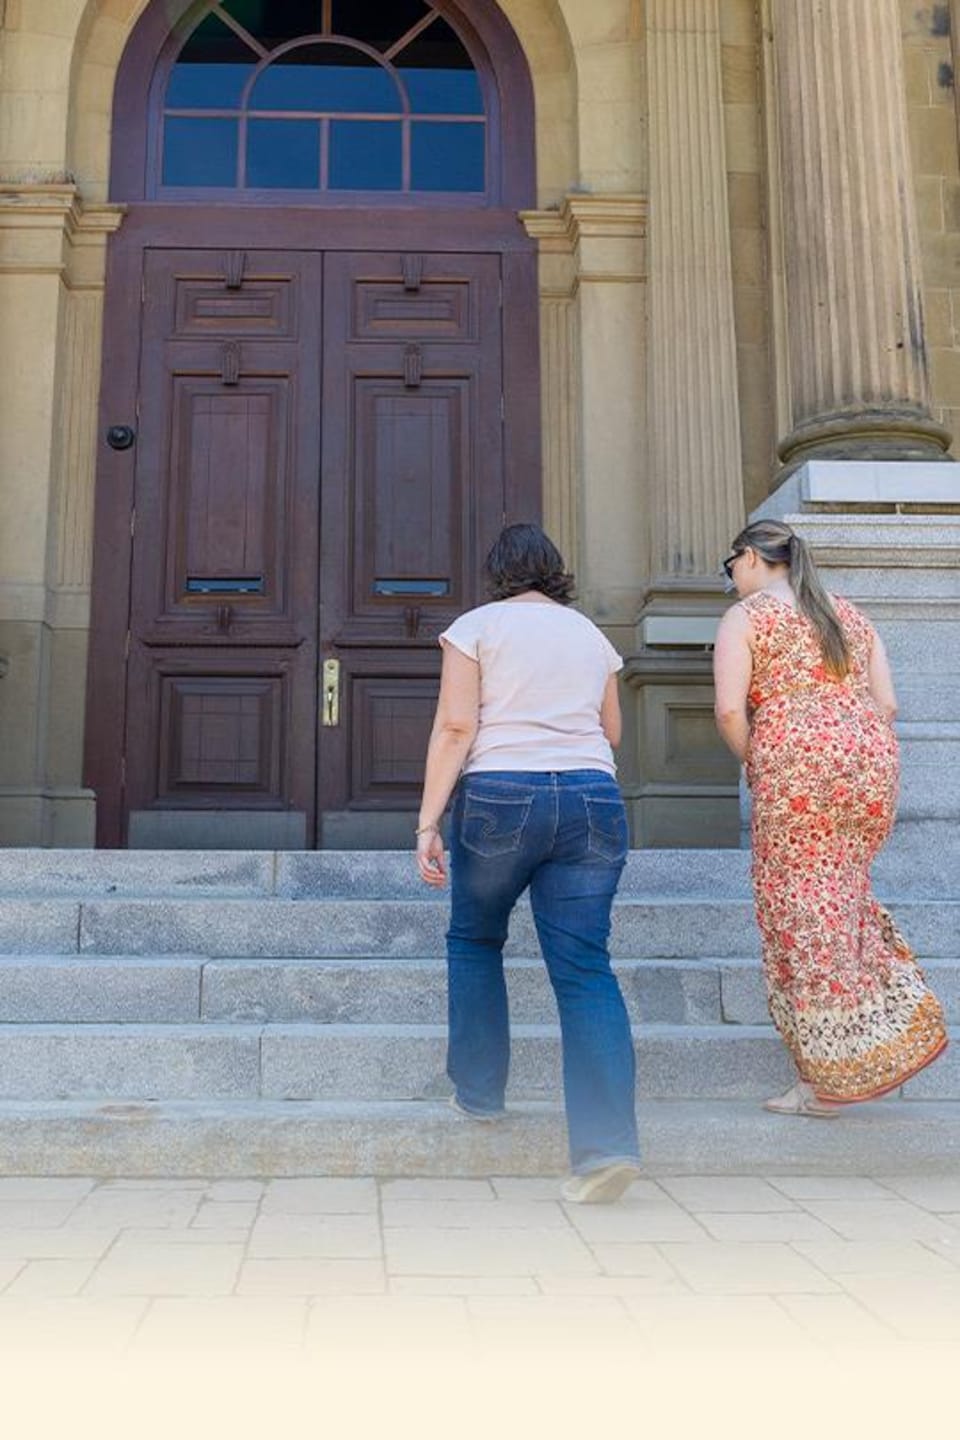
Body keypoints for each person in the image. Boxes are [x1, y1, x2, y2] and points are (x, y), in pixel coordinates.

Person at [415, 523, 641, 1203]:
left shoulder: (476, 628)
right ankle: (607, 1150)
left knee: (474, 939)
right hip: (592, 796)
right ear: (555, 571)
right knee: (585, 969)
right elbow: (612, 732)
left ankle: (480, 1094)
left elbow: (457, 727)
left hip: (501, 795)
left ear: (498, 573)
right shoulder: (590, 635)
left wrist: (428, 822)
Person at [713, 519, 947, 1116]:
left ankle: (825, 1080)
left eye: (730, 563)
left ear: (753, 557)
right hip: (868, 761)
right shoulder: (849, 614)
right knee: (842, 896)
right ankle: (876, 1040)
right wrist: (845, 740)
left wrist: (761, 761)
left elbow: (728, 712)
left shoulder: (746, 617)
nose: (730, 576)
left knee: (799, 910)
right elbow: (887, 703)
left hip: (796, 762)